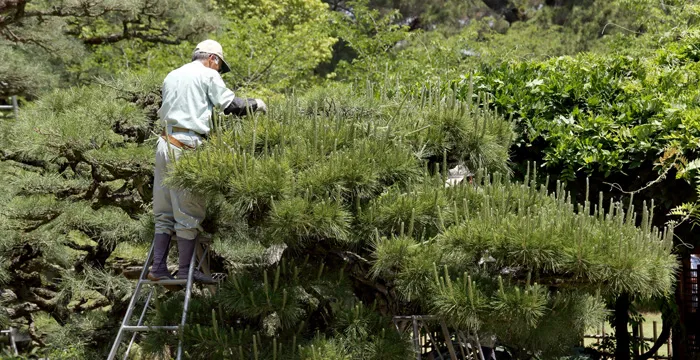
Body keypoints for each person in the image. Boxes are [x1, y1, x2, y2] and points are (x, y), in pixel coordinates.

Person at [148, 39, 266, 284]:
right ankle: (185, 271)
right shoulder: (207, 75)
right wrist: (257, 104)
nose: (219, 71)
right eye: (220, 66)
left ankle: (157, 268)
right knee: (189, 211)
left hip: (163, 144)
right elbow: (231, 105)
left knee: (164, 212)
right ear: (213, 58)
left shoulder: (172, 75)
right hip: (187, 145)